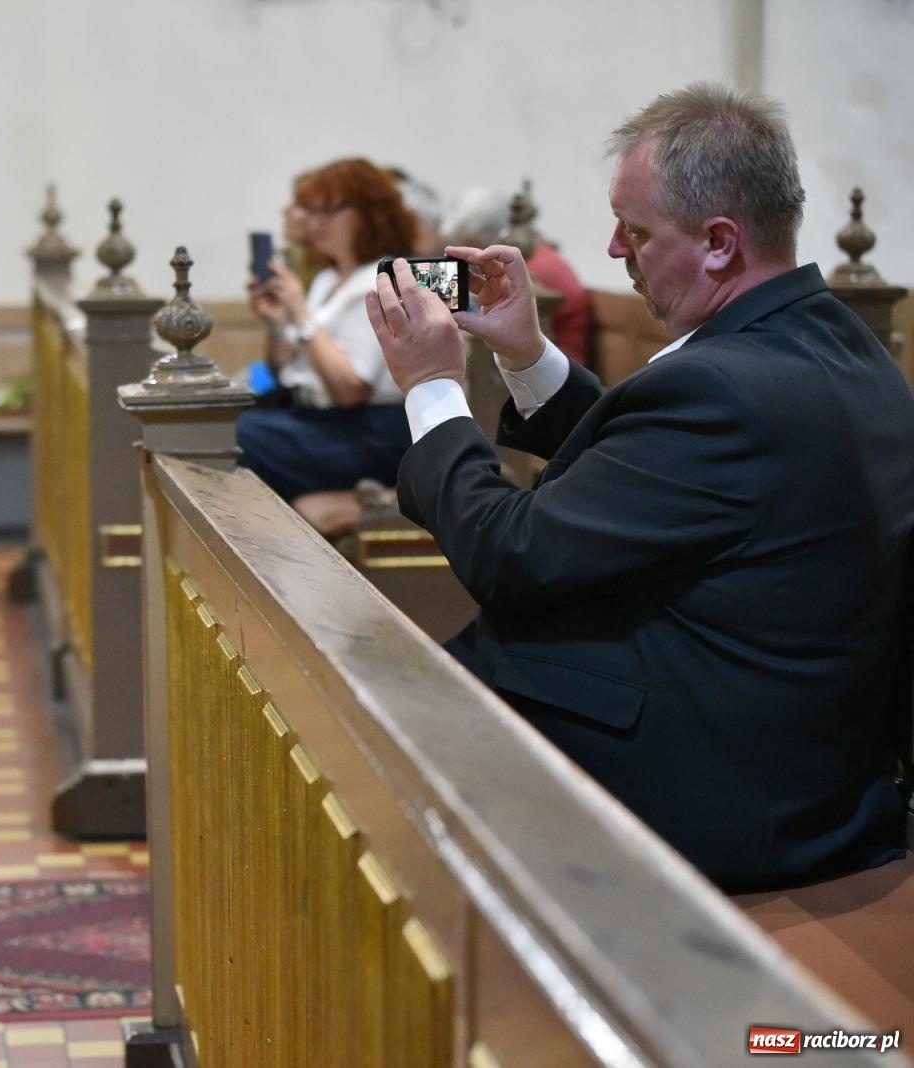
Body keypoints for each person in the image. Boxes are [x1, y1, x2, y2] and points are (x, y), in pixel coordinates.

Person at [365, 82, 914, 892]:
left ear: (720, 242)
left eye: (635, 229)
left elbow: (511, 555)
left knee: (368, 714)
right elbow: (663, 474)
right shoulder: (831, 344)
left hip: (723, 789)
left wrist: (433, 388)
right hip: (796, 752)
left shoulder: (725, 392)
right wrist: (525, 356)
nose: (615, 250)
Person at [240, 158, 417, 500]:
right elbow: (282, 370)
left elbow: (350, 391)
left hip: (370, 431)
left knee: (235, 436)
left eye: (326, 212)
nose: (313, 223)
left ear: (365, 213)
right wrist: (277, 326)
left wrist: (300, 313)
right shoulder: (327, 279)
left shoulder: (386, 279)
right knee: (217, 419)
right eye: (310, 211)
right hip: (319, 419)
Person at [442, 186, 593, 366]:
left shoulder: (531, 269)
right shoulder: (526, 259)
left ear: (488, 238)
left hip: (557, 371)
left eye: (472, 244)